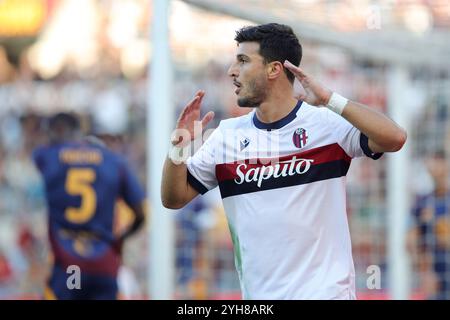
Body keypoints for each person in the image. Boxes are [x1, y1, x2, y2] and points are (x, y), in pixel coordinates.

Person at [161, 23, 406, 299]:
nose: (232, 70)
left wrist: (330, 100)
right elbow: (173, 198)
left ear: (274, 69)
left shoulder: (327, 124)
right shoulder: (225, 137)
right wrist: (178, 148)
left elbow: (395, 138)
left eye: (242, 61)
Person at [32, 113, 145, 300]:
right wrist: (119, 239)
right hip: (104, 267)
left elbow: (40, 155)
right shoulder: (113, 161)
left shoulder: (50, 155)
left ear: (55, 131)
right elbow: (141, 214)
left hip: (72, 266)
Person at [408, 150, 450, 299]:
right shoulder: (422, 202)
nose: (434, 168)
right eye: (431, 163)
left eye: (438, 162)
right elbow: (411, 240)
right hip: (437, 274)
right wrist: (424, 271)